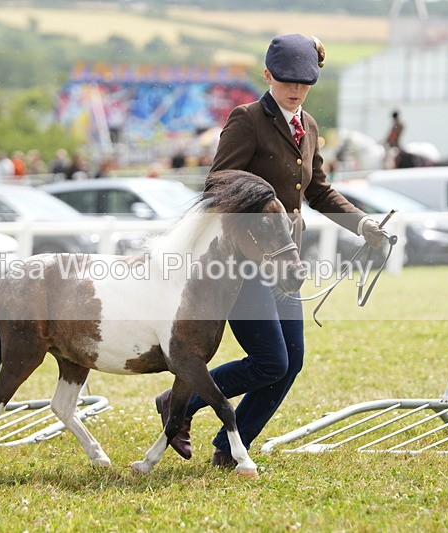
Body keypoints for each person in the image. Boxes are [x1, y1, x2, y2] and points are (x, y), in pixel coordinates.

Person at [154, 34, 386, 468]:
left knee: (289, 362)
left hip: (286, 262)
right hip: (242, 262)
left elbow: (317, 190)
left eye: (304, 83)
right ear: (268, 76)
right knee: (269, 361)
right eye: (286, 82)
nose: (295, 91)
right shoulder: (246, 119)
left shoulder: (310, 126)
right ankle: (180, 401)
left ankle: (225, 448)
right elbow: (217, 184)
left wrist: (362, 223)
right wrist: (263, 201)